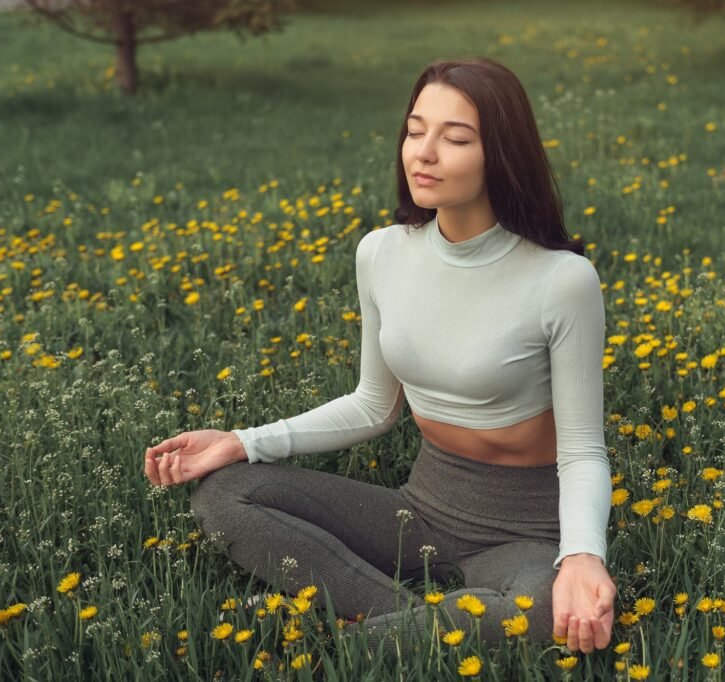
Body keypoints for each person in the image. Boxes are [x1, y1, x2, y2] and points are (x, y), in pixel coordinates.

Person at [143, 56, 616, 658]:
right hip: (419, 509)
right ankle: (410, 628)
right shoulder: (382, 254)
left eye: (456, 138)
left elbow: (582, 450)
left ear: (501, 151)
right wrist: (240, 441)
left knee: (551, 612)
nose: (424, 153)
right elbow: (374, 405)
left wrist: (581, 557)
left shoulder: (562, 281)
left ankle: (355, 643)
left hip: (523, 531)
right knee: (223, 494)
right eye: (416, 131)